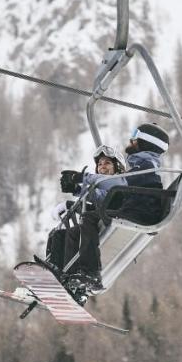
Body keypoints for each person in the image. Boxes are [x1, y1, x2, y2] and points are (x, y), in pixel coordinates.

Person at [57, 123, 171, 296]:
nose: (131, 140)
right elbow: (111, 192)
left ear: (145, 142)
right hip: (134, 210)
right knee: (72, 229)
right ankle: (70, 277)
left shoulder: (146, 165)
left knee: (89, 218)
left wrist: (83, 177)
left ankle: (90, 273)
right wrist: (77, 189)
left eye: (135, 136)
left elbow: (120, 183)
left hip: (139, 212)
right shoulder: (143, 166)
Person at [42, 145, 126, 274]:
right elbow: (97, 196)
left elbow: (106, 188)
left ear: (118, 167)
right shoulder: (104, 188)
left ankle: (74, 273)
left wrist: (82, 178)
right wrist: (75, 190)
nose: (102, 166)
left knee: (76, 231)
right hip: (100, 217)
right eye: (99, 164)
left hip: (114, 217)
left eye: (107, 163)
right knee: (59, 234)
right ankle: (54, 270)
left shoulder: (120, 181)